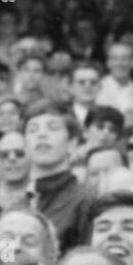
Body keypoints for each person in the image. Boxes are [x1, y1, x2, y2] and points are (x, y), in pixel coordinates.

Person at [24, 99, 88, 248]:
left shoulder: (85, 202)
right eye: (33, 130)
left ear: (72, 143)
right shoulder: (14, 207)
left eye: (52, 128)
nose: (41, 135)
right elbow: (4, 260)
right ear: (25, 145)